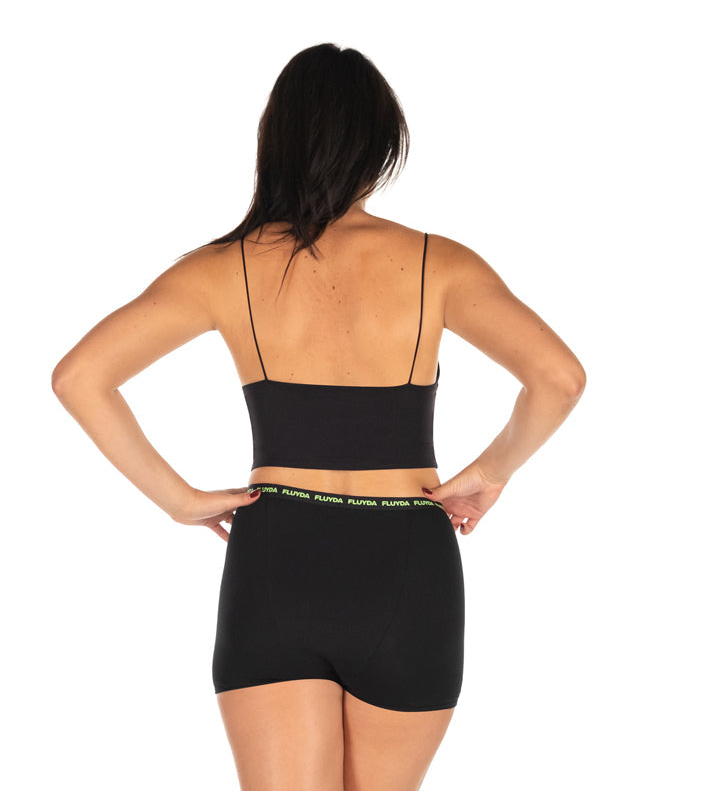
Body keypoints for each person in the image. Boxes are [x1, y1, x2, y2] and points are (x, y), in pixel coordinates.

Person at [52, 42, 586, 791]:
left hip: (277, 555)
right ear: (381, 143)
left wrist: (179, 501)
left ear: (276, 140)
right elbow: (558, 378)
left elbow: (80, 377)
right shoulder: (440, 263)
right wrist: (490, 473)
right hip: (409, 563)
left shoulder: (222, 267)